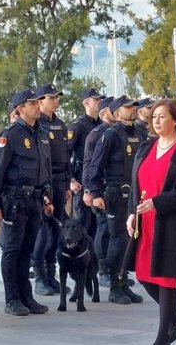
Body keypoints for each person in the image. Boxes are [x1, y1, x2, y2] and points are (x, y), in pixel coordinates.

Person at [126, 99, 176, 345]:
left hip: (171, 221)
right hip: (145, 219)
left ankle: (162, 338)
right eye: (154, 117)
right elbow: (136, 184)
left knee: (165, 277)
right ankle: (175, 317)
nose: (157, 121)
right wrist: (131, 213)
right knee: (144, 274)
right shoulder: (146, 148)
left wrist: (159, 203)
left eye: (162, 117)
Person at [0, 88, 51, 317]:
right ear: (20, 108)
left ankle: (27, 296)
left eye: (38, 102)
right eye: (32, 103)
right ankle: (12, 298)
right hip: (13, 200)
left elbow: (45, 167)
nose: (37, 105)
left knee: (27, 249)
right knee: (12, 250)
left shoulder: (41, 132)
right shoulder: (10, 134)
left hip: (34, 199)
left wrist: (47, 194)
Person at [86, 95, 145, 304]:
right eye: (128, 107)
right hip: (115, 193)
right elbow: (95, 165)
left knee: (130, 240)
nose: (133, 110)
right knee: (118, 240)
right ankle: (113, 285)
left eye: (134, 107)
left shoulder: (140, 133)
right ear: (117, 112)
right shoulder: (110, 135)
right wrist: (94, 193)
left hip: (136, 194)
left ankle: (122, 281)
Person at [33, 83, 71, 296]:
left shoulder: (61, 125)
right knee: (43, 232)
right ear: (39, 102)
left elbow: (65, 157)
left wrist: (67, 185)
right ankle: (39, 276)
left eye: (57, 97)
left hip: (59, 180)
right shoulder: (37, 124)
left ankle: (50, 274)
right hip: (43, 182)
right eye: (50, 97)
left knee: (57, 230)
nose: (55, 100)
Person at [82, 96, 115, 287]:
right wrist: (90, 191)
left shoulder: (117, 132)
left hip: (116, 189)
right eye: (113, 109)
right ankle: (103, 268)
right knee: (103, 229)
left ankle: (115, 268)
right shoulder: (97, 133)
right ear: (104, 113)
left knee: (115, 232)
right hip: (99, 188)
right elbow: (89, 164)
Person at [68, 88, 104, 235]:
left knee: (99, 227)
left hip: (99, 182)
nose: (100, 102)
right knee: (81, 226)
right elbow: (66, 153)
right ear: (87, 103)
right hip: (81, 181)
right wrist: (70, 180)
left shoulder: (103, 124)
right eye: (97, 100)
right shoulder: (77, 126)